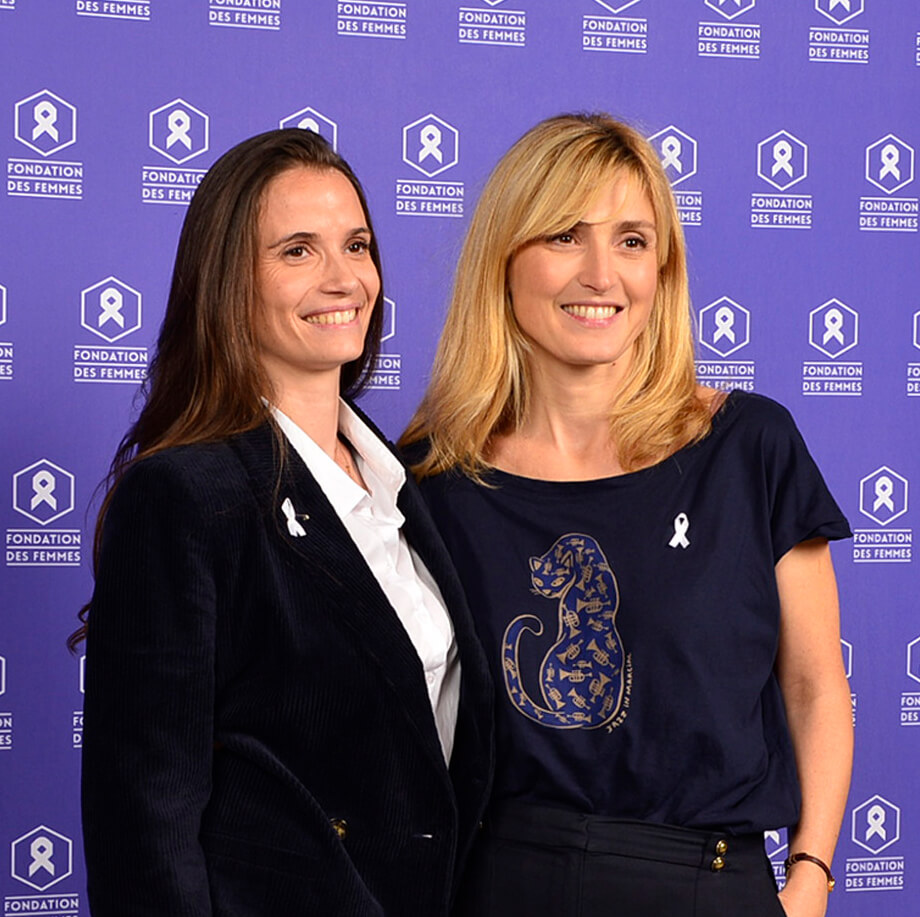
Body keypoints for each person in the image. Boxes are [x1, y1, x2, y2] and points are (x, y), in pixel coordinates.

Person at [401, 113, 852, 917]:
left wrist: (810, 875)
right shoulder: (434, 478)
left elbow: (816, 685)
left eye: (633, 240)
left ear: (664, 269)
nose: (602, 273)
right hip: (500, 884)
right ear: (503, 260)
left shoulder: (750, 447)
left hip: (708, 884)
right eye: (565, 236)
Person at [75, 128, 492, 917]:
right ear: (229, 279)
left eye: (357, 245)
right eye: (298, 250)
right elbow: (145, 820)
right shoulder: (183, 497)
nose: (344, 279)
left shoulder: (409, 482)